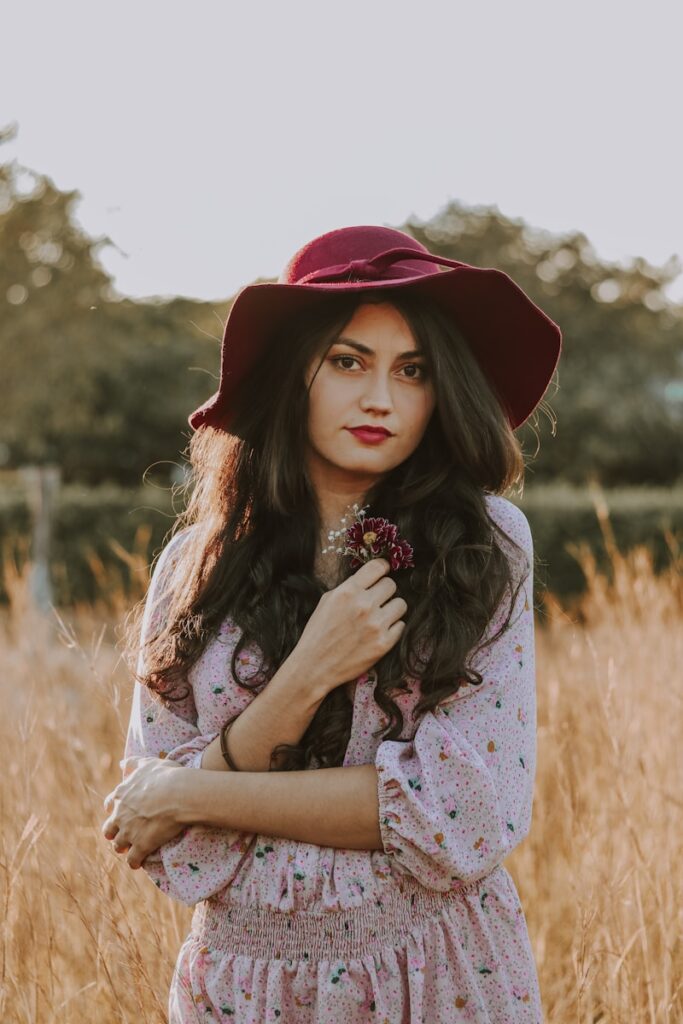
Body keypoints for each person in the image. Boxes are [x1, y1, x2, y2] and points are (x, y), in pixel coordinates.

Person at [102, 224, 562, 1023]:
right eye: (348, 362)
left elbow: (461, 811)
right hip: (242, 986)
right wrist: (309, 671)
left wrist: (190, 790)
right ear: (292, 377)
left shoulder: (482, 545)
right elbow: (164, 846)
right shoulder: (193, 566)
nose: (380, 397)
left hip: (434, 973)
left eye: (411, 371)